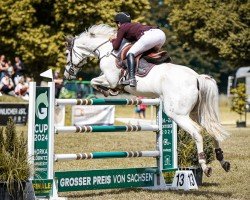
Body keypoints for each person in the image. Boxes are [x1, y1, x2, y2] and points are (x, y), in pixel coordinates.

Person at [110, 12, 166, 87]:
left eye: (117, 23)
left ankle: (132, 79)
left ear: (119, 22)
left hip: (151, 36)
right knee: (147, 54)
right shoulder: (133, 26)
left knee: (130, 53)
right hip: (161, 35)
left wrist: (113, 40)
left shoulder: (122, 27)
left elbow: (116, 47)